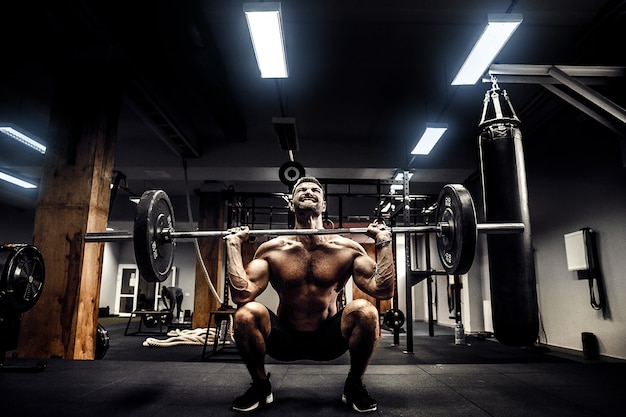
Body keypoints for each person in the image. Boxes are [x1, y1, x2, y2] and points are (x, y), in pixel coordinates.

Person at [225, 176, 395, 413]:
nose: (308, 191)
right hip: (285, 338)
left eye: (315, 189)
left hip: (329, 339)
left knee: (366, 310)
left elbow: (383, 290)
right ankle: (261, 386)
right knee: (245, 313)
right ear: (291, 203)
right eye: (301, 189)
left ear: (323, 204)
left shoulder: (346, 249)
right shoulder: (272, 249)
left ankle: (354, 386)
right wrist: (233, 246)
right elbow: (242, 295)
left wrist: (384, 243)